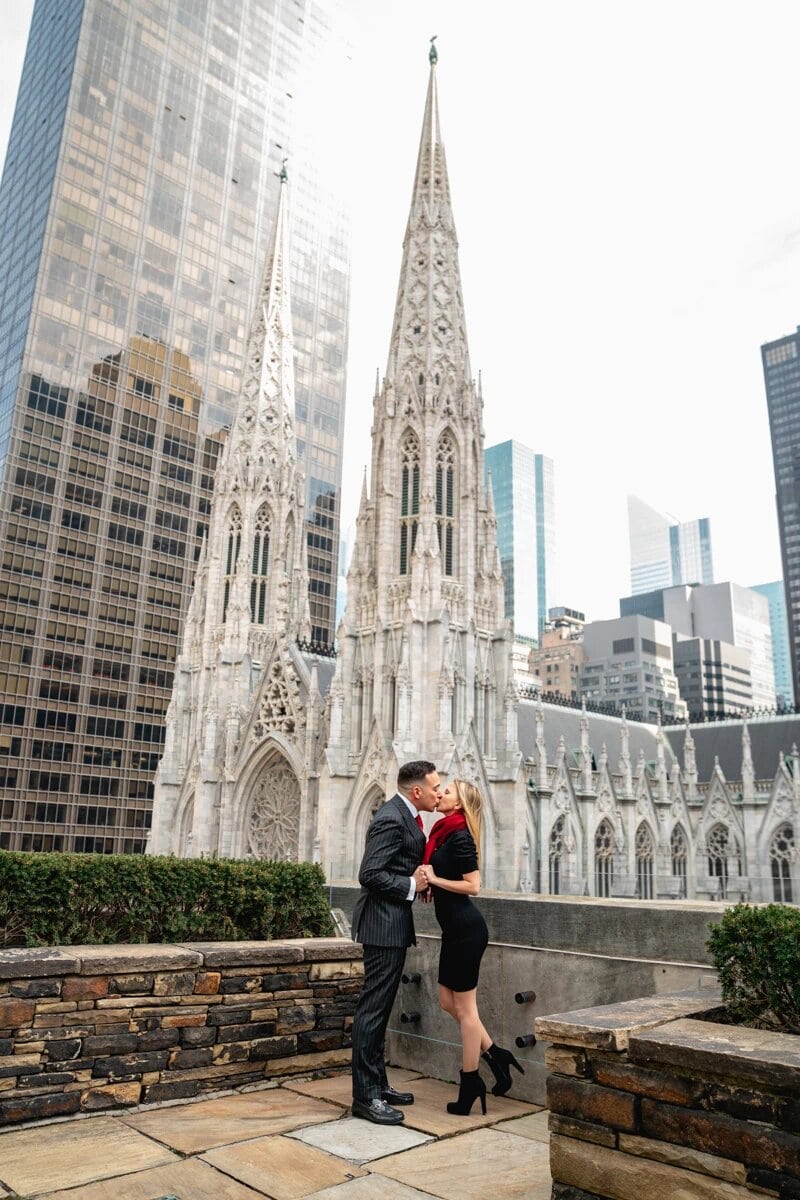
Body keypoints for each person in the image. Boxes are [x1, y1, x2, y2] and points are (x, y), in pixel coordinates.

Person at [420, 778, 523, 1114]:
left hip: (467, 930)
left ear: (460, 804)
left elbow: (474, 885)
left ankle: (470, 1082)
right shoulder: (444, 831)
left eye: (446, 791)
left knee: (466, 1011)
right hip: (453, 930)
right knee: (447, 1002)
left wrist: (434, 880)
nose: (440, 793)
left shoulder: (461, 835)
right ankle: (496, 1054)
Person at [350, 759, 441, 1125]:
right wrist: (410, 885)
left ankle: (378, 1083)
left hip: (390, 924)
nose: (439, 793)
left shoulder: (402, 815)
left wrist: (415, 876)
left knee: (380, 1009)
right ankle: (366, 1097)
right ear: (416, 791)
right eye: (435, 787)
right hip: (381, 926)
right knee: (372, 1011)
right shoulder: (391, 817)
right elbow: (370, 873)